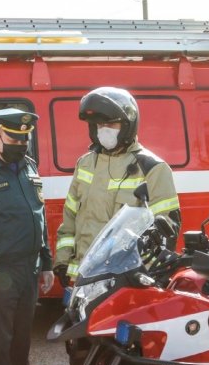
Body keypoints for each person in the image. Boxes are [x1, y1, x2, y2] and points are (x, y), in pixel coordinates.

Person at [53, 87, 181, 285]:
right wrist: (62, 261)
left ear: (128, 124)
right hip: (82, 278)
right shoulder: (85, 163)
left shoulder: (152, 168)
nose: (104, 129)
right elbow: (70, 218)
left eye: (111, 123)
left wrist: (145, 275)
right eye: (99, 124)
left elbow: (166, 231)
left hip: (124, 279)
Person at [0, 108, 54, 365]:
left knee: (21, 345)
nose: (20, 145)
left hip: (28, 269)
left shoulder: (29, 165)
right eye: (14, 138)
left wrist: (46, 262)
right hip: (0, 270)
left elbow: (40, 215)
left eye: (25, 139)